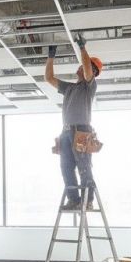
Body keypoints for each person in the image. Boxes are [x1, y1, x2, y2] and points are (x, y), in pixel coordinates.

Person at [44, 32, 104, 211]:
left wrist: (82, 47)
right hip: (66, 132)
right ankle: (74, 200)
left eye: (86, 66)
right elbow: (49, 78)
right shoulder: (69, 88)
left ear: (93, 72)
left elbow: (87, 70)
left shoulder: (89, 86)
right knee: (66, 167)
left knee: (84, 167)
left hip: (82, 131)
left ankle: (88, 200)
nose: (81, 67)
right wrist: (50, 57)